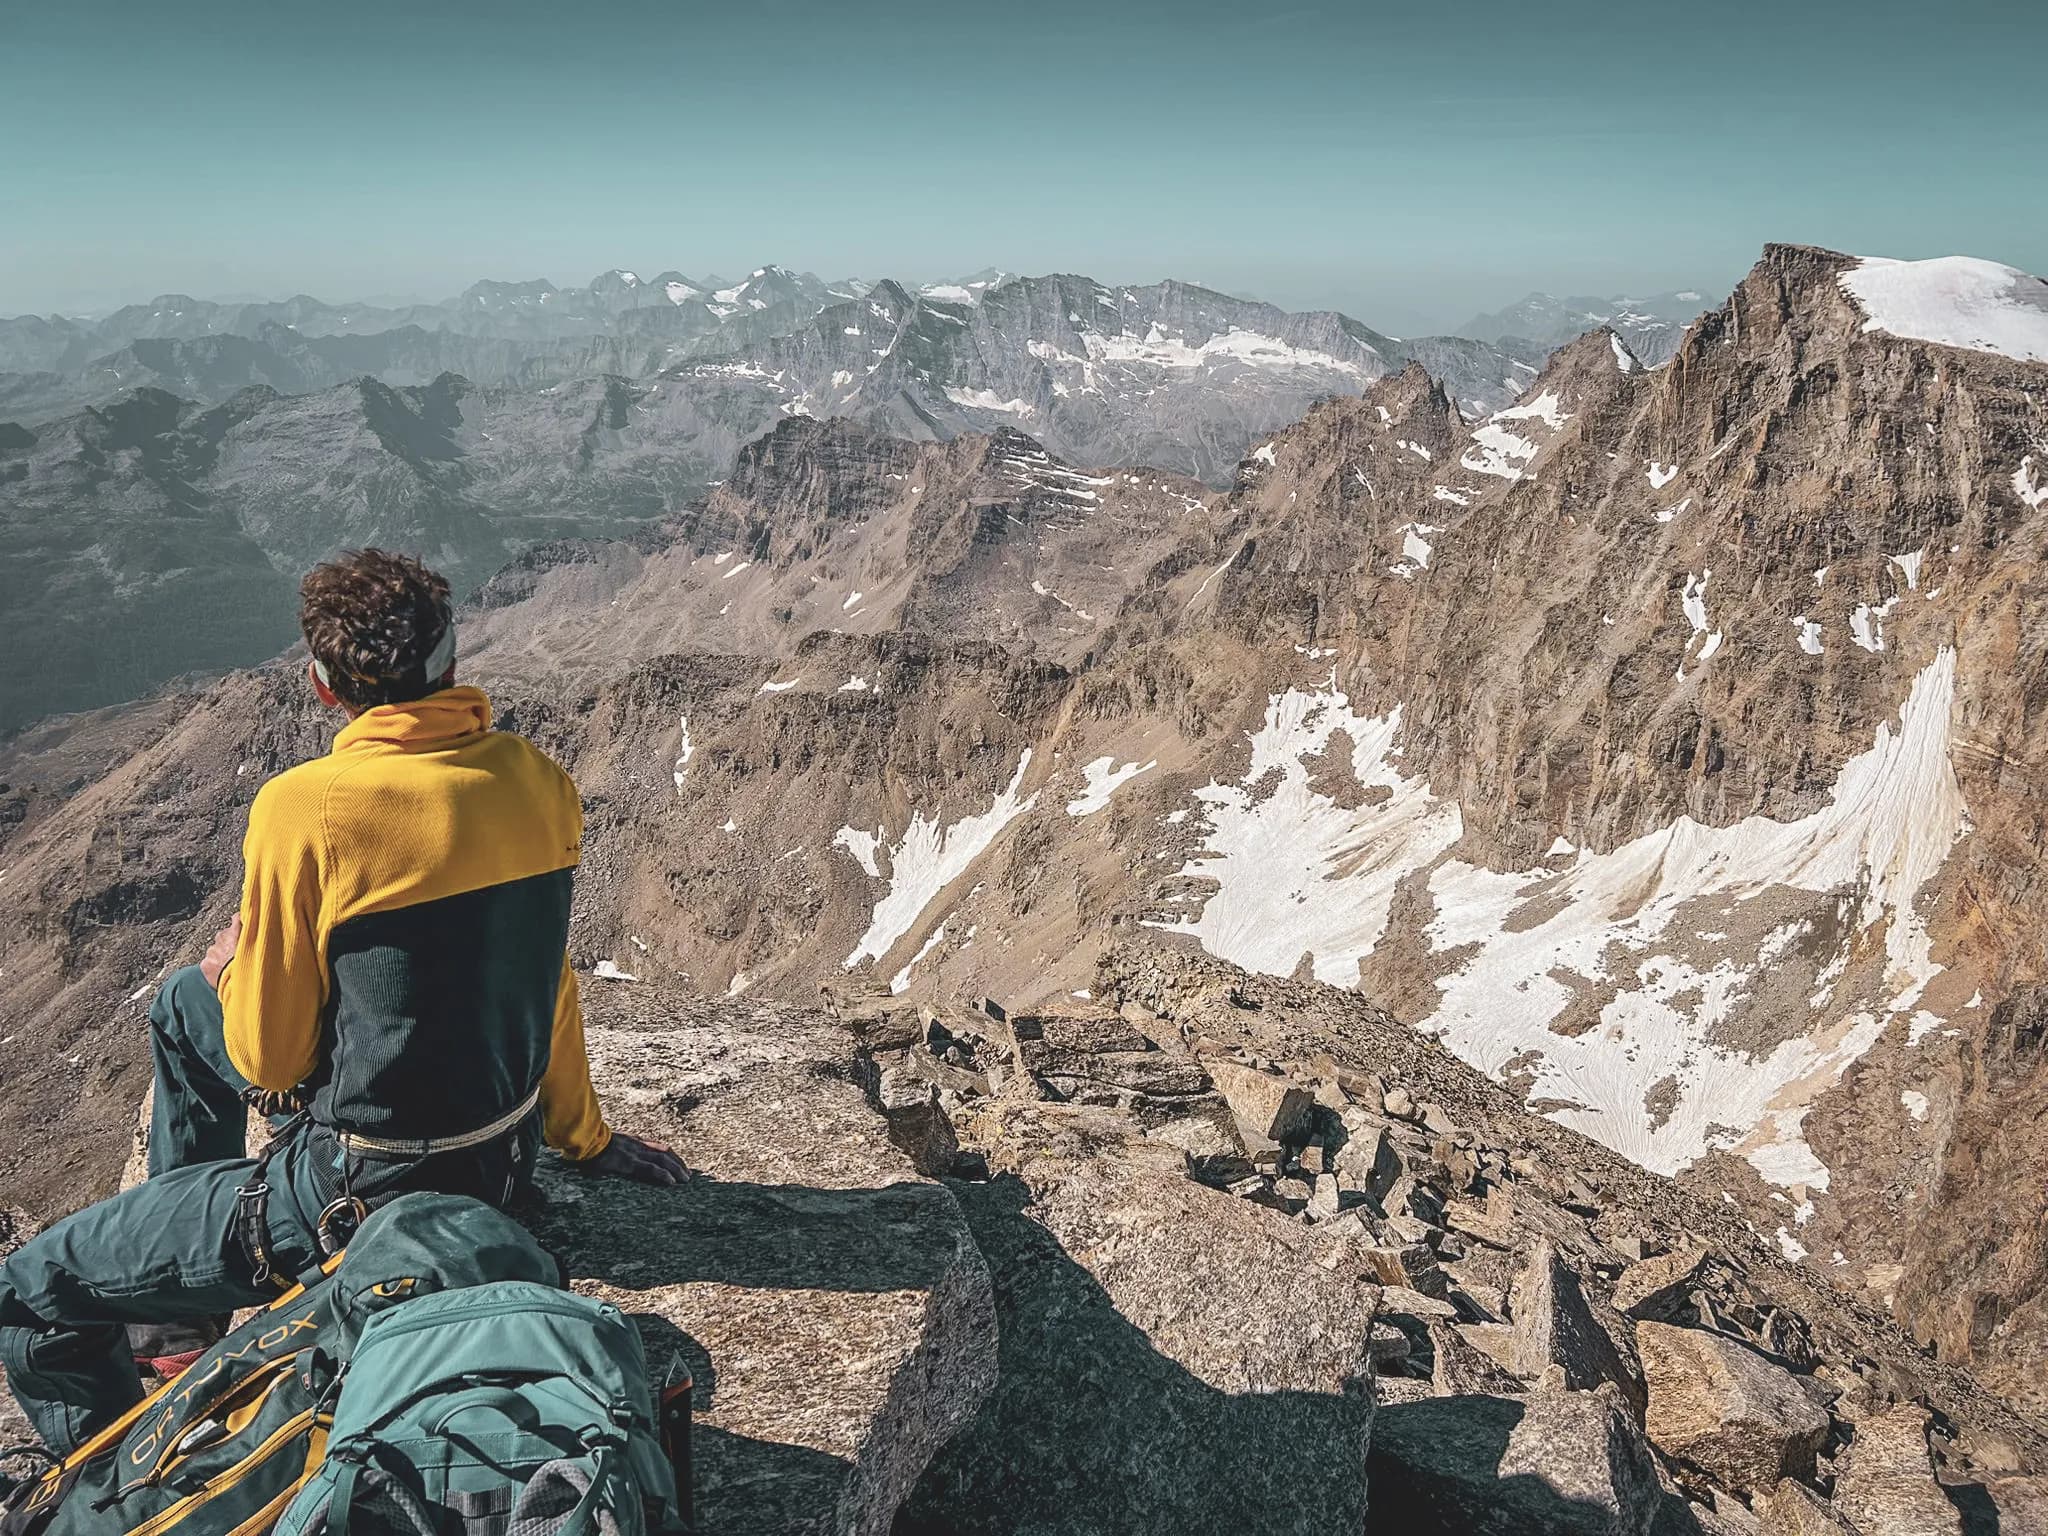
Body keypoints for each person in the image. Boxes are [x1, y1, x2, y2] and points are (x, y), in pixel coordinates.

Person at [0, 548, 686, 1455]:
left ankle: (124, 1485)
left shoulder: (306, 807)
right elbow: (545, 976)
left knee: (30, 1293)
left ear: (324, 687)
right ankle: (177, 1318)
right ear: (451, 661)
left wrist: (233, 972)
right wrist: (585, 1139)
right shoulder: (537, 779)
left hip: (354, 1188)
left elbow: (268, 1062)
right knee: (176, 1006)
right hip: (503, 1156)